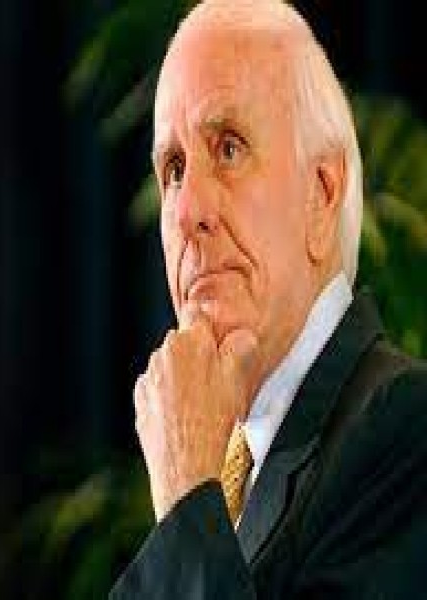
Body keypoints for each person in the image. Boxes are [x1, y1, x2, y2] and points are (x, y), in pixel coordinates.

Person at [110, 1, 426, 598]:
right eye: (173, 168)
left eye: (228, 148)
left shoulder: (407, 430)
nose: (187, 211)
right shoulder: (220, 469)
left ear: (322, 196)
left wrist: (186, 500)